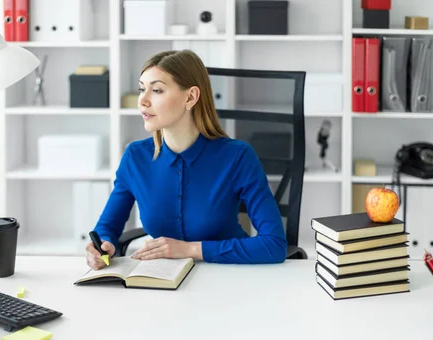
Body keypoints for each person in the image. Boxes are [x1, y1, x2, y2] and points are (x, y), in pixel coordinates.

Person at [85, 50, 287, 270]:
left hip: (229, 278)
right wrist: (102, 247)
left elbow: (274, 245)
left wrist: (189, 249)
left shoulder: (237, 157)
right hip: (162, 279)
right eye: (142, 89)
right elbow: (107, 228)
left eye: (157, 90)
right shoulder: (135, 157)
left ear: (190, 97)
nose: (142, 100)